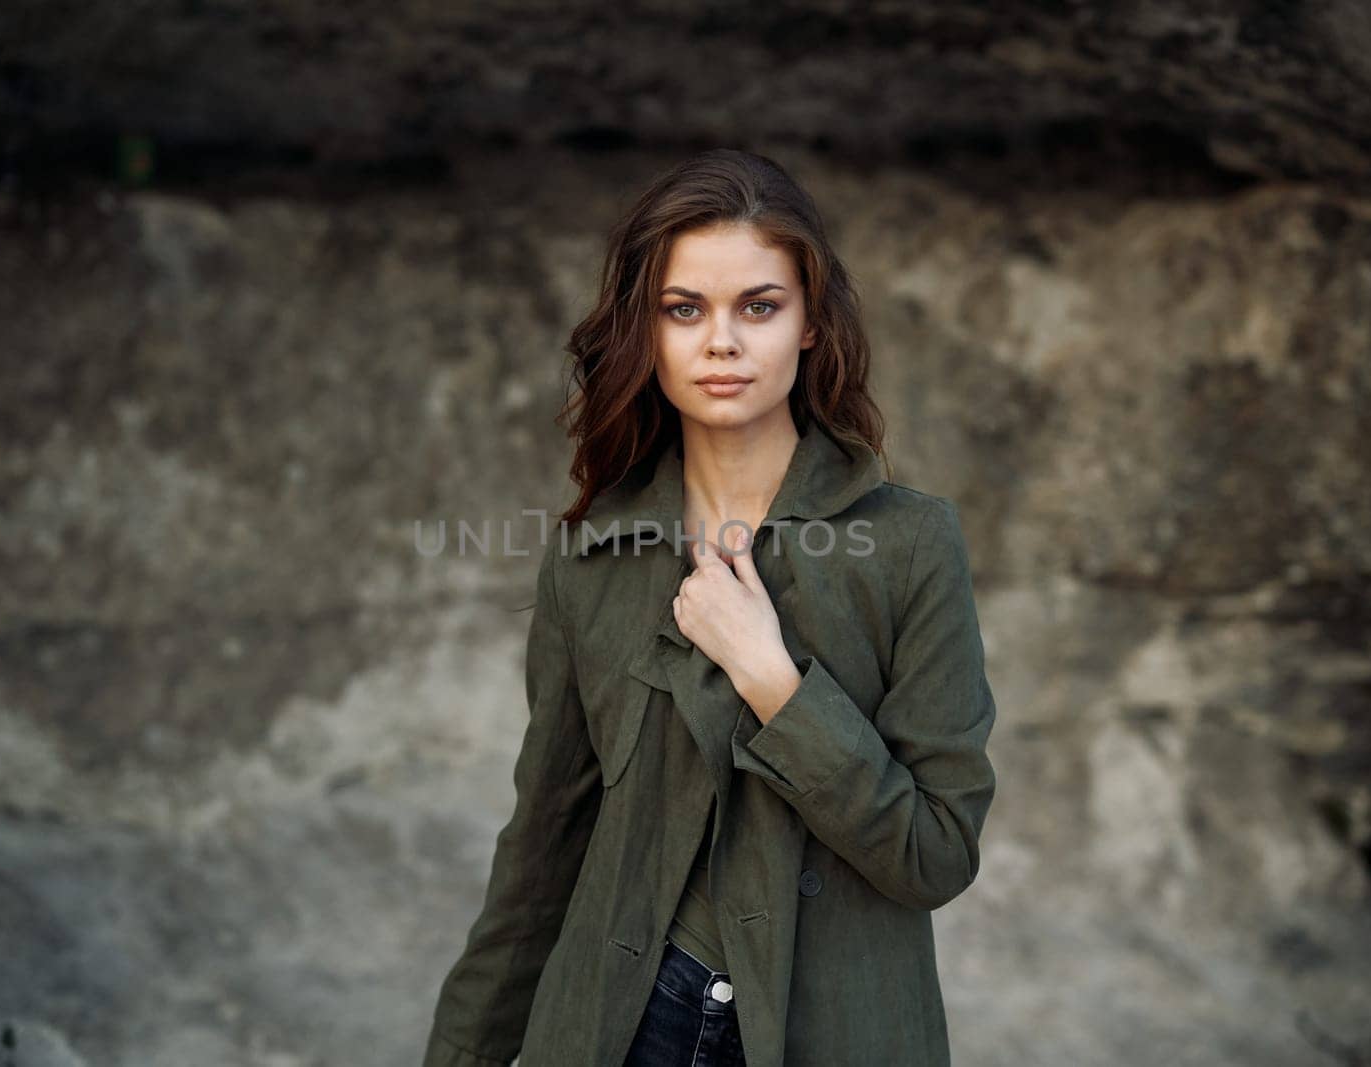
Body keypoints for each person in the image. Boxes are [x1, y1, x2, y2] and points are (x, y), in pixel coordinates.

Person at [422, 148, 998, 1067]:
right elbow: (542, 852)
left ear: (811, 323)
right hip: (621, 1029)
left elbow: (935, 853)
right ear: (645, 332)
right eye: (683, 309)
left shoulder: (911, 543)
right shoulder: (589, 558)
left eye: (758, 307)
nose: (720, 343)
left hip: (830, 1034)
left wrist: (773, 679)